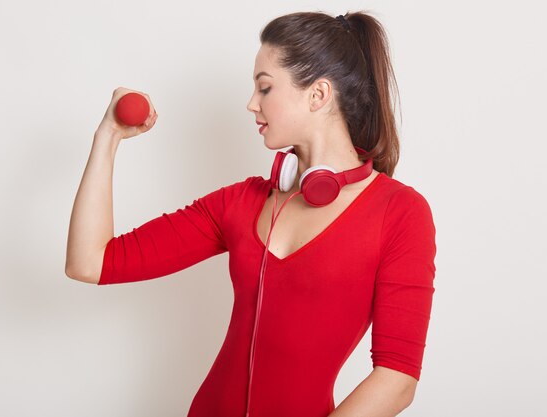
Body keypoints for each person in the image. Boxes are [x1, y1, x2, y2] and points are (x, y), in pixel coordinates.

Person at [65, 10, 437, 417]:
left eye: (264, 89)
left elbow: (397, 379)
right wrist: (107, 137)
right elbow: (91, 262)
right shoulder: (239, 203)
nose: (250, 104)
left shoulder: (400, 213)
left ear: (318, 95)